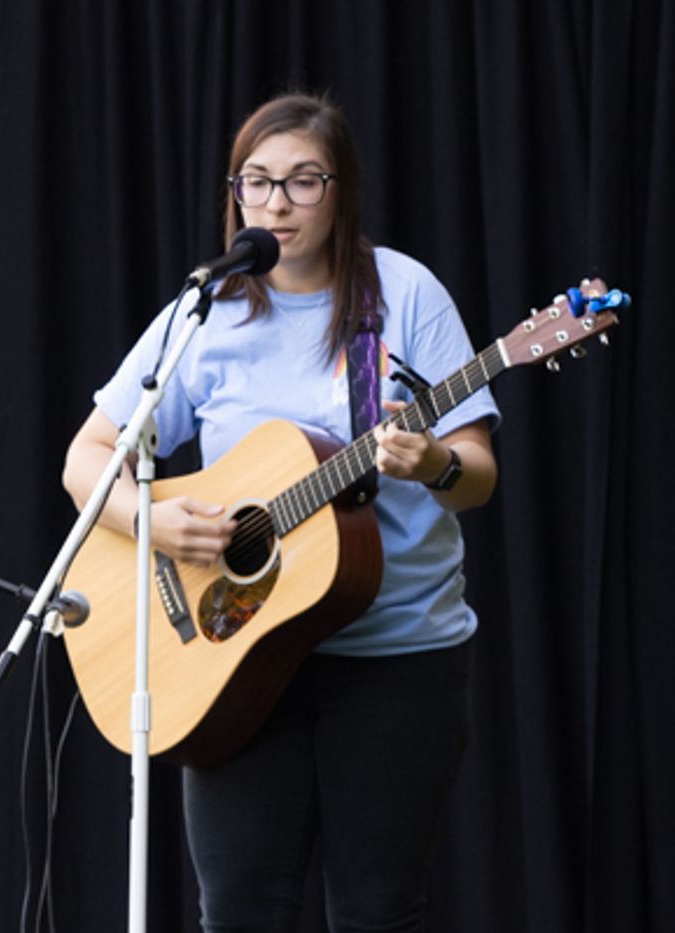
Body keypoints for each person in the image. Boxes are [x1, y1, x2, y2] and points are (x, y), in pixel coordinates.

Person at [62, 92, 499, 932]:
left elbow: (477, 473)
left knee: (377, 912)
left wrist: (435, 461)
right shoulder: (205, 314)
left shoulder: (402, 295)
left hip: (395, 658)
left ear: (342, 190)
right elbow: (88, 457)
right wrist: (152, 520)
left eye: (303, 181)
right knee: (239, 914)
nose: (276, 204)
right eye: (256, 182)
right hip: (233, 658)